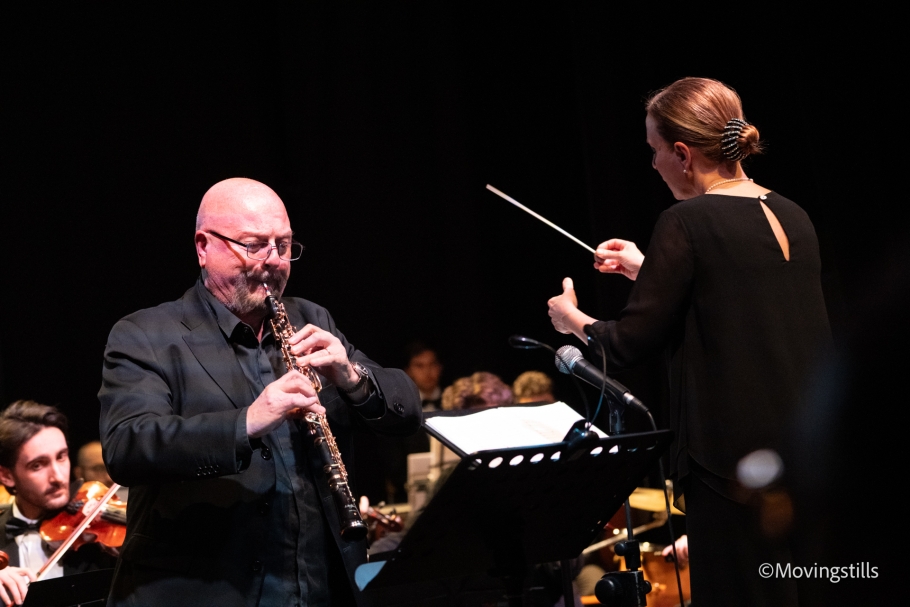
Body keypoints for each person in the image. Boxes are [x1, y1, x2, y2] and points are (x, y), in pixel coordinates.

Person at [547, 78, 830, 606]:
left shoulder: (685, 220)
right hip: (803, 459)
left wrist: (573, 320)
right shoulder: (794, 214)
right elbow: (737, 296)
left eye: (655, 150)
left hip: (729, 466)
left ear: (682, 153)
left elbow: (626, 344)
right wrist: (650, 270)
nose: (653, 164)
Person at [98, 178, 422, 606]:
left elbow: (407, 411)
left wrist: (351, 376)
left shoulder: (312, 318)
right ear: (203, 247)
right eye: (253, 245)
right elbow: (128, 446)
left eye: (283, 246)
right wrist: (247, 422)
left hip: (318, 588)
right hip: (207, 592)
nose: (273, 261)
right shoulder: (146, 334)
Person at [0, 400, 115, 607]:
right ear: (6, 476)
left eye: (61, 457)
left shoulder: (96, 536)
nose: (58, 477)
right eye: (38, 465)